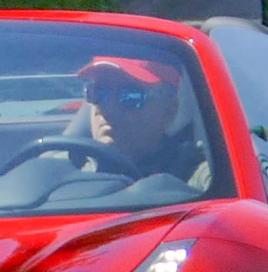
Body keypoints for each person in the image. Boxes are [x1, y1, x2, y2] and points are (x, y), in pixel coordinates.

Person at [61, 58, 211, 189]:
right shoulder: (65, 166)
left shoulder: (194, 173)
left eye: (130, 96)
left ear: (168, 111)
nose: (109, 108)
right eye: (98, 92)